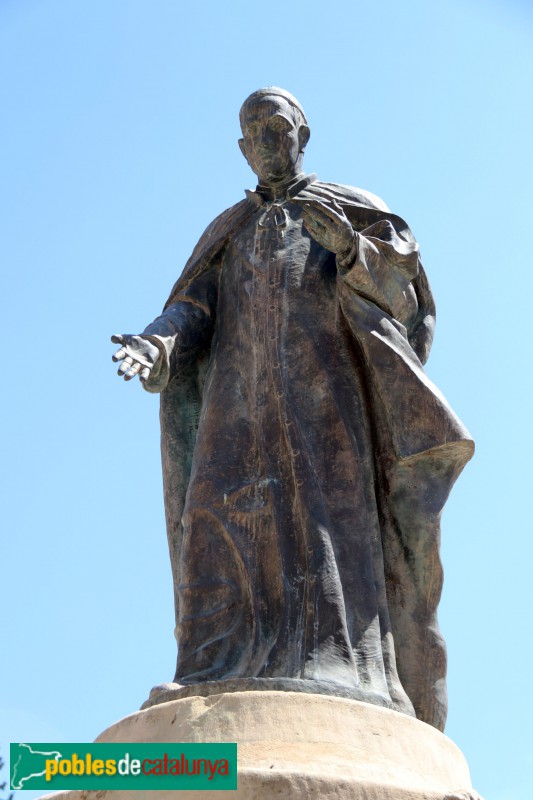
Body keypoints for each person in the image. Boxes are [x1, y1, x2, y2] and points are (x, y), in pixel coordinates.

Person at [112, 87, 473, 731]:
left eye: (277, 126)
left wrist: (353, 251)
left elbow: (407, 298)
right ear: (242, 149)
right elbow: (193, 308)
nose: (266, 140)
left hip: (324, 408)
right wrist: (158, 343)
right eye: (253, 132)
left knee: (325, 532)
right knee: (210, 520)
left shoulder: (353, 211)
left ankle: (345, 671)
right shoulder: (230, 231)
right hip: (235, 409)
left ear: (302, 134)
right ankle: (210, 668)